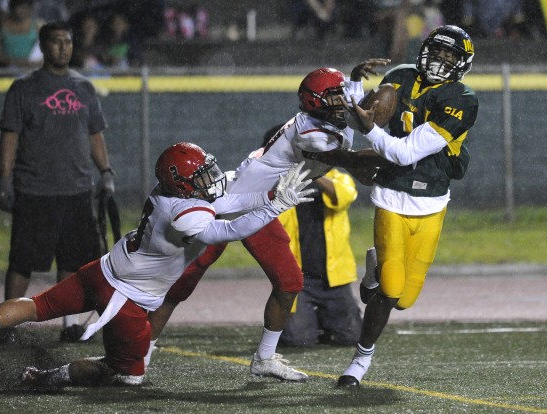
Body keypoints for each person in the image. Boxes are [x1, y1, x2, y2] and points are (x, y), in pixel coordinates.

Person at [0, 143, 315, 387]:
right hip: (127, 299)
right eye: (199, 176)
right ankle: (49, 378)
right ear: (181, 184)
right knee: (128, 377)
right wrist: (278, 203)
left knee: (37, 306)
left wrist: (260, 181)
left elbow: (221, 197)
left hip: (103, 270)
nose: (209, 179)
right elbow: (228, 228)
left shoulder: (167, 194)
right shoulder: (186, 214)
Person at [147, 61, 390, 382]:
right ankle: (139, 354)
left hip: (262, 207)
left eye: (343, 93)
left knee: (289, 281)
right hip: (230, 206)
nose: (345, 98)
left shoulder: (326, 114)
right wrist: (398, 152)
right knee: (180, 285)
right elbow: (349, 159)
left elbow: (355, 103)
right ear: (319, 102)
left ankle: (264, 358)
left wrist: (357, 76)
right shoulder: (311, 133)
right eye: (337, 94)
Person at [305, 25, 478, 387]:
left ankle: (373, 270)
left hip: (431, 200)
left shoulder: (463, 100)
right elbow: (362, 118)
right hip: (391, 196)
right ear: (425, 50)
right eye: (438, 52)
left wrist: (371, 132)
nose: (442, 61)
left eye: (451, 57)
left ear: (462, 65)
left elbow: (405, 151)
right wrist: (354, 85)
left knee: (404, 300)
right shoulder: (399, 76)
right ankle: (360, 361)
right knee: (392, 287)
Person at [0, 21, 116, 344]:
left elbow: (94, 135)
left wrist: (105, 172)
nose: (63, 47)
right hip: (36, 190)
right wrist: (5, 180)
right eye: (56, 42)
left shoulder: (84, 88)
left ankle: (69, 325)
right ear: (44, 46)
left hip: (77, 190)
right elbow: (10, 137)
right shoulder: (24, 88)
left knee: (73, 262)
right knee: (22, 262)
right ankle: (8, 326)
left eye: (68, 41)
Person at [253, 124, 363, 347]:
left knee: (351, 337)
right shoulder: (271, 183)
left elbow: (345, 195)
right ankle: (306, 321)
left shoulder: (329, 174)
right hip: (298, 277)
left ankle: (325, 319)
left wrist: (310, 172)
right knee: (298, 340)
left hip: (333, 275)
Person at [0, 0, 44, 68]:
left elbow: (47, 51)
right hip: (5, 71)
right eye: (18, 7)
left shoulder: (38, 26)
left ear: (30, 8)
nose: (20, 11)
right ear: (11, 7)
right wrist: (16, 62)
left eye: (24, 7)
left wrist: (36, 63)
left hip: (31, 69)